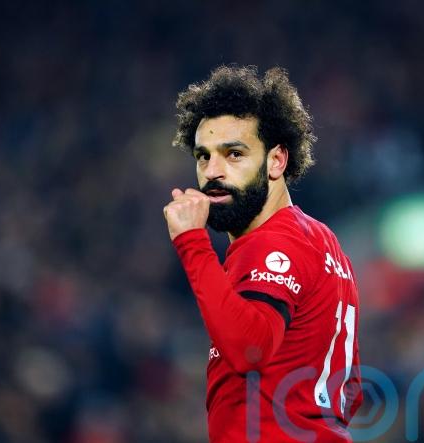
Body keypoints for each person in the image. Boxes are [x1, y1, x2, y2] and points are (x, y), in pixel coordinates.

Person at [163, 65, 363, 442]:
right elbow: (350, 389)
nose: (212, 171)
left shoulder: (271, 242)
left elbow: (250, 349)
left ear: (276, 160)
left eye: (234, 154)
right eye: (203, 156)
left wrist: (191, 242)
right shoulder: (325, 243)